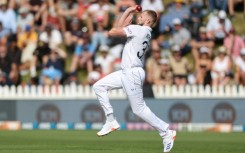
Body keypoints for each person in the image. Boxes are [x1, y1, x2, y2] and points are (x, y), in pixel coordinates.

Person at [93, 6, 176, 153]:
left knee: (139, 109)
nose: (140, 16)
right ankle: (111, 120)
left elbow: (112, 32)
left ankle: (166, 131)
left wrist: (127, 12)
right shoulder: (143, 31)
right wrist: (128, 13)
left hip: (132, 73)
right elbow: (117, 30)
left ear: (148, 20)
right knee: (99, 86)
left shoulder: (141, 29)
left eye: (142, 15)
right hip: (126, 71)